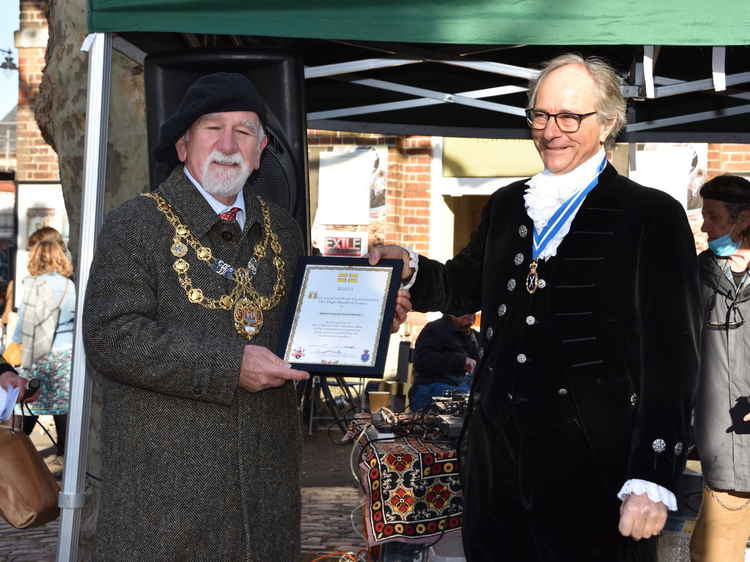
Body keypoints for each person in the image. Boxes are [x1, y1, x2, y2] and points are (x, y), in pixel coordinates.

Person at [370, 53, 701, 561]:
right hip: (498, 464)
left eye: (570, 117)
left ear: (609, 121)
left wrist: (651, 476)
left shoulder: (651, 215)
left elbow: (673, 357)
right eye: (540, 115)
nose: (551, 131)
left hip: (597, 469)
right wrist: (410, 267)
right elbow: (464, 286)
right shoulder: (507, 204)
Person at [83, 72, 409, 561]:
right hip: (167, 502)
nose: (228, 144)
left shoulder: (283, 228)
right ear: (182, 145)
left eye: (245, 131)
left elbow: (305, 331)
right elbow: (112, 337)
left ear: (261, 151)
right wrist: (229, 366)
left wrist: (371, 318)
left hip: (266, 495)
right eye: (212, 128)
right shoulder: (135, 224)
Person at [691, 175, 750, 562]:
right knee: (713, 555)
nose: (705, 226)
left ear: (742, 219)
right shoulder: (699, 274)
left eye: (713, 216)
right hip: (725, 448)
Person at [13, 227, 75, 465]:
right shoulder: (69, 286)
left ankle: (17, 459)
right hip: (66, 356)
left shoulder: (34, 285)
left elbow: (23, 329)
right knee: (62, 410)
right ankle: (66, 459)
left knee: (26, 408)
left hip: (39, 356)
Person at [409, 313, 479, 412]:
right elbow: (422, 360)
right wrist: (460, 361)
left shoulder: (474, 336)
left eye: (473, 311)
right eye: (466, 311)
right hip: (432, 387)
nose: (471, 314)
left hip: (461, 388)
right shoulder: (435, 329)